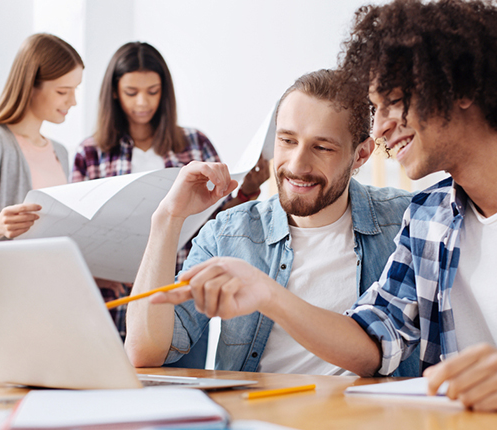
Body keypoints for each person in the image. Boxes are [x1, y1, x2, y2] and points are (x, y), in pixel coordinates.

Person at [149, 0, 497, 411]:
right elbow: (373, 341)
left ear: (461, 89)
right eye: (376, 111)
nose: (380, 130)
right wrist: (268, 295)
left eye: (394, 102)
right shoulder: (430, 217)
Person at [125, 69, 419, 377]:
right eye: (288, 141)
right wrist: (167, 219)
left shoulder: (405, 222)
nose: (297, 165)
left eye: (322, 148)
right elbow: (144, 352)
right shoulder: (230, 233)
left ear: (360, 155)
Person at [72, 41, 268, 368]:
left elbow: (219, 223)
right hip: (110, 301)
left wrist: (244, 192)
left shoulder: (194, 144)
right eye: (131, 92)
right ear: (114, 92)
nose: (142, 102)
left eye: (152, 91)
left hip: (180, 302)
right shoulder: (89, 152)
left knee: (180, 402)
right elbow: (76, 228)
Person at [0, 33, 84, 379]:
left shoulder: (60, 151)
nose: (72, 101)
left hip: (50, 311)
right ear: (32, 85)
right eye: (63, 91)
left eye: (75, 90)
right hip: (1, 316)